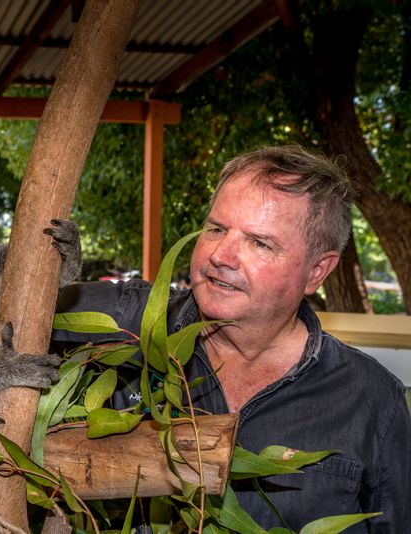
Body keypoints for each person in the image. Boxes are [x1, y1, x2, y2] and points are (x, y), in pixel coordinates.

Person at [52, 145, 411, 531]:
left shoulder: (371, 401)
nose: (221, 255)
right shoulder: (121, 320)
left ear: (317, 271)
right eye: (216, 228)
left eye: (260, 242)